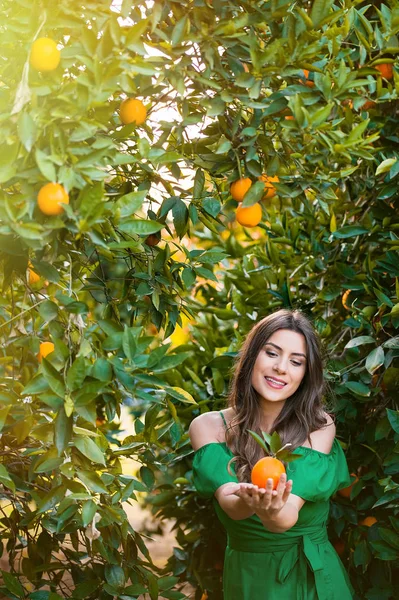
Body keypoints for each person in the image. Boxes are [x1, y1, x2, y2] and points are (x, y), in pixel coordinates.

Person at [189, 309, 355, 600]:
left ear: (305, 374)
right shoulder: (209, 427)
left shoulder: (318, 426)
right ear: (252, 356)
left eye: (296, 362)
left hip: (311, 581)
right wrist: (250, 498)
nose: (281, 368)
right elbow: (233, 506)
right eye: (272, 353)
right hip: (249, 580)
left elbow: (285, 517)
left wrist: (271, 510)